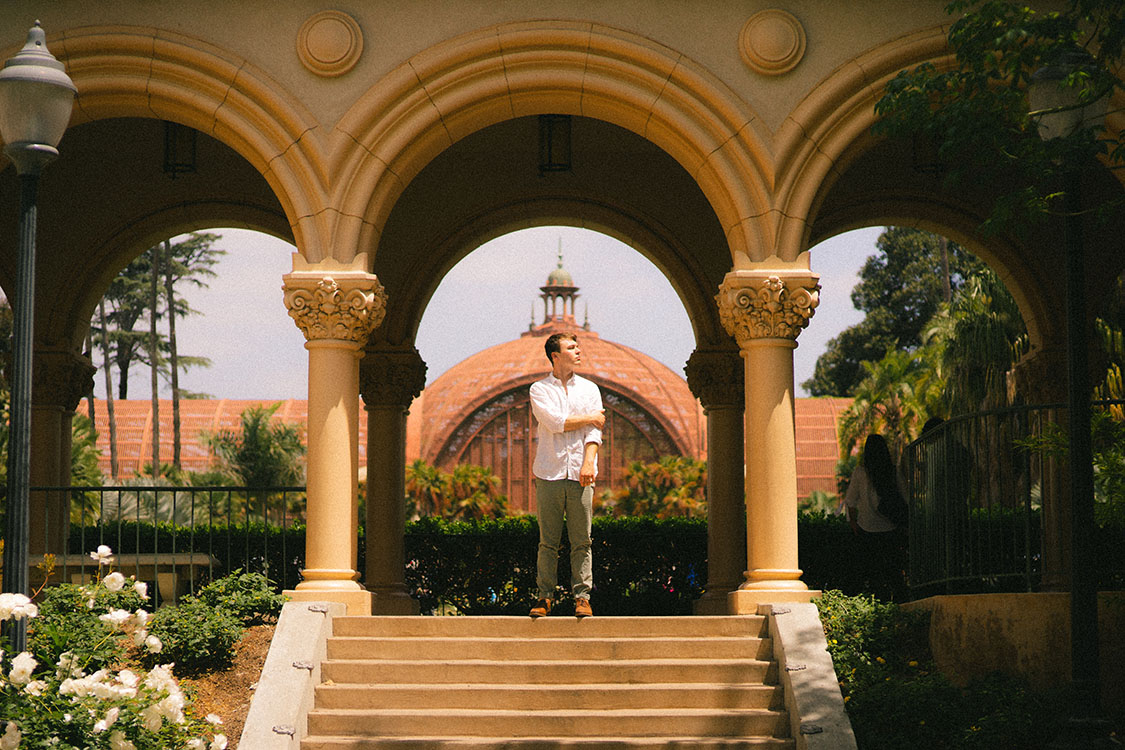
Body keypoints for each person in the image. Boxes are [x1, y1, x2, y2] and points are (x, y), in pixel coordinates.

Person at [528, 332, 604, 618]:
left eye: (577, 346)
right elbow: (555, 423)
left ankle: (582, 597)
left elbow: (594, 432)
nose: (578, 351)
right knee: (548, 540)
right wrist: (589, 418)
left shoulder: (590, 389)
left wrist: (589, 462)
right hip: (549, 471)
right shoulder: (539, 389)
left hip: (582, 473)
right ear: (555, 356)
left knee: (582, 539)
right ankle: (544, 596)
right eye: (572, 348)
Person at [845, 433, 908, 599]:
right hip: (891, 528)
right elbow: (906, 498)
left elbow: (850, 501)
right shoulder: (893, 471)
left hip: (867, 529)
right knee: (894, 572)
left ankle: (879, 604)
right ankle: (901, 605)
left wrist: (853, 523)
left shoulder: (860, 473)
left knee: (874, 574)